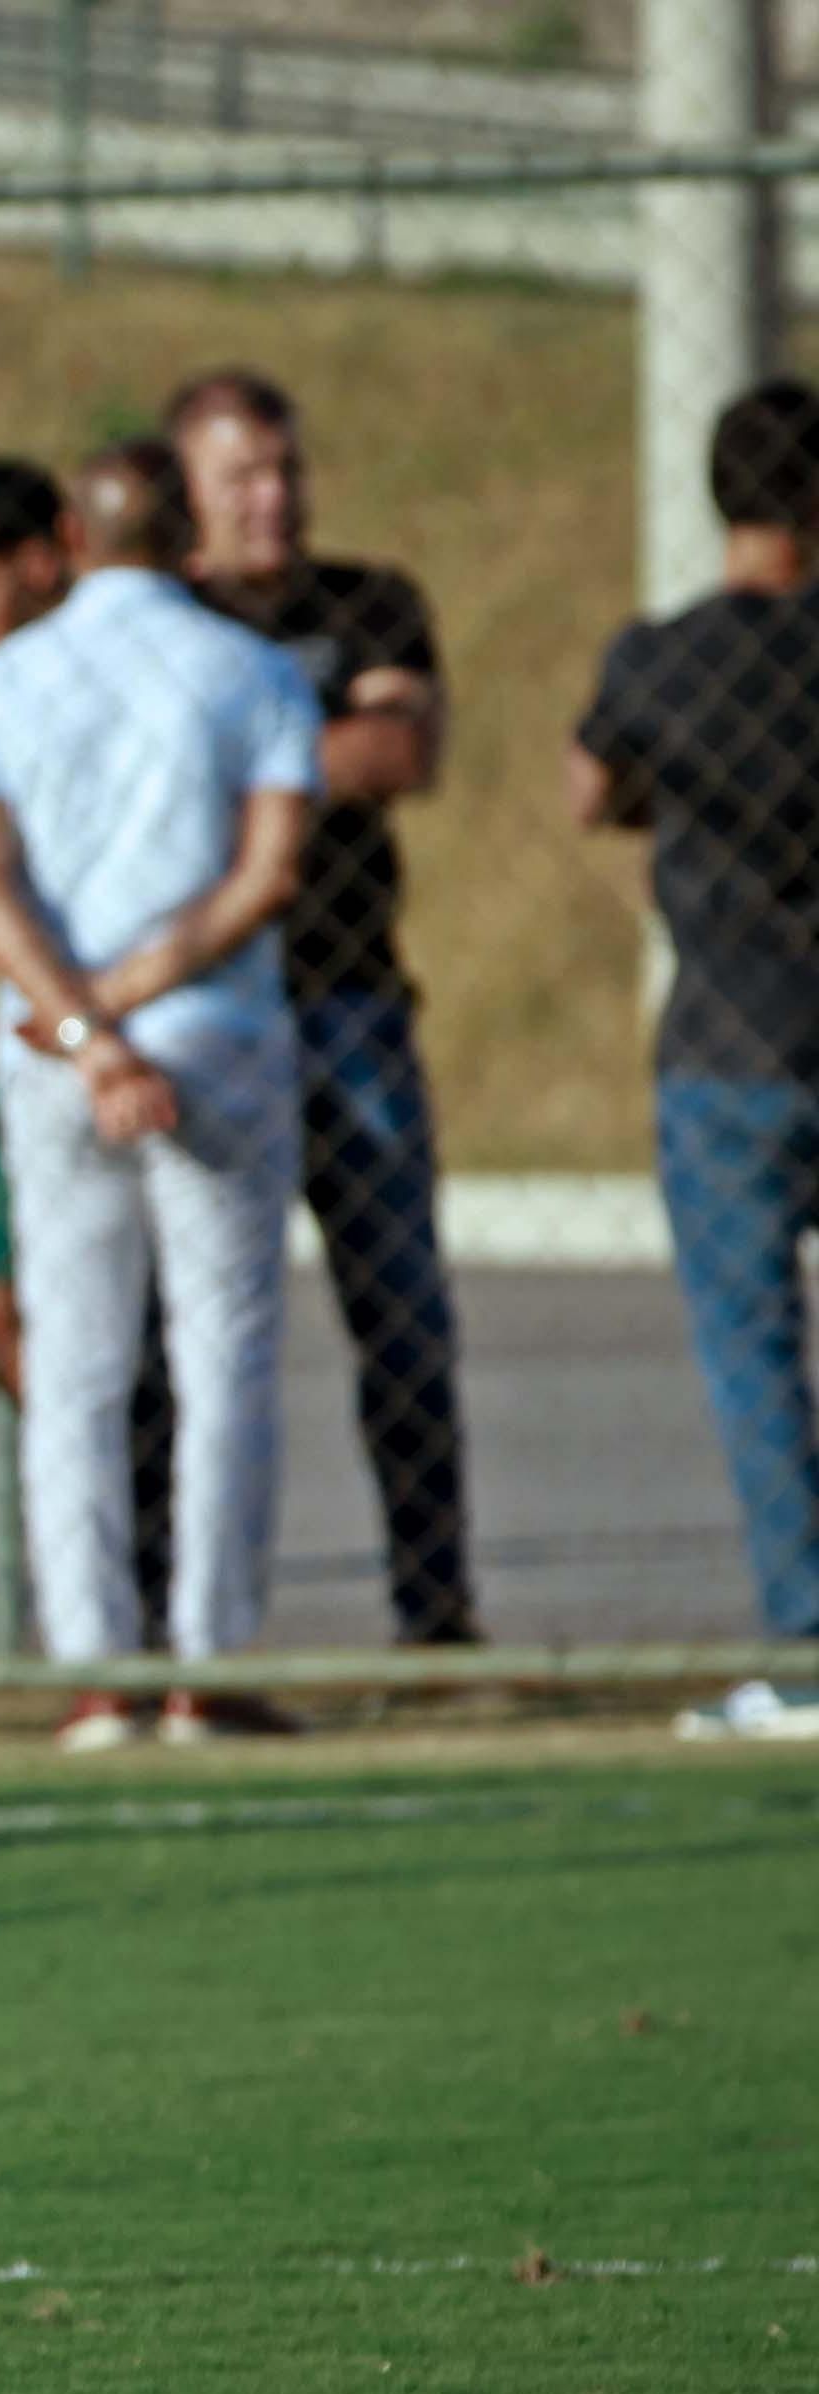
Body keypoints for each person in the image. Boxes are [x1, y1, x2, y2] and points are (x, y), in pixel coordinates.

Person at [0, 442, 318, 1749]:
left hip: (54, 1051)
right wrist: (147, 997)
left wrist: (91, 1028)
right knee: (226, 1355)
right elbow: (268, 875)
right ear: (188, 535)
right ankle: (209, 1663)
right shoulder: (256, 671)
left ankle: (93, 1672)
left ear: (72, 536)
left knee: (79, 1362)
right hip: (218, 1034)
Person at [171, 370, 479, 1649]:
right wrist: (305, 754)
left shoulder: (370, 602)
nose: (273, 500)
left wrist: (226, 767)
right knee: (180, 1336)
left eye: (287, 471)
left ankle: (436, 1607)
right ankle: (165, 1616)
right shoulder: (164, 614)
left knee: (400, 1313)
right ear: (187, 491)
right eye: (242, 476)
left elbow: (397, 750)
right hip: (203, 1005)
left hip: (346, 1003)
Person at [570, 378, 819, 1738]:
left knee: (755, 1353)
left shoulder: (663, 659)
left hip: (728, 1038)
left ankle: (805, 1640)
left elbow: (589, 786)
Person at [0, 456, 177, 1640]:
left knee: (161, 1340)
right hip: (35, 1046)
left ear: (49, 554)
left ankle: (151, 1600)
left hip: (135, 1027)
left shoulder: (138, 669)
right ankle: (97, 1573)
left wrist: (93, 1017)